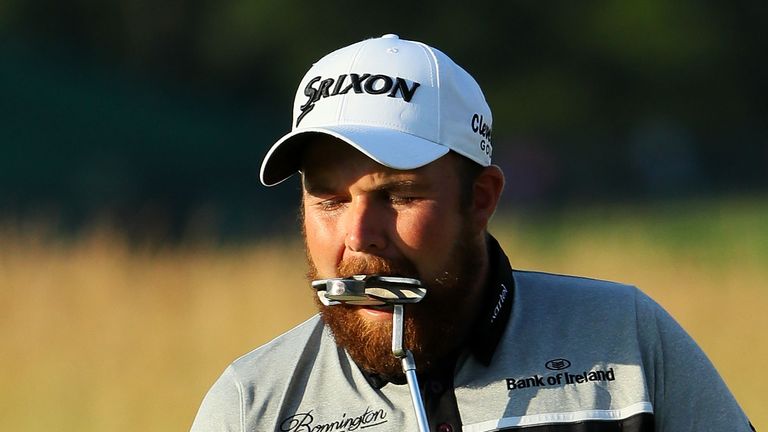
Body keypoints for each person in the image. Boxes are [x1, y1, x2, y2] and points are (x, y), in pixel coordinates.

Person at [191, 34, 754, 432]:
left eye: (400, 195)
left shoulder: (626, 338)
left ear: (480, 200)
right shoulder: (253, 406)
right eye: (330, 200)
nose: (359, 235)